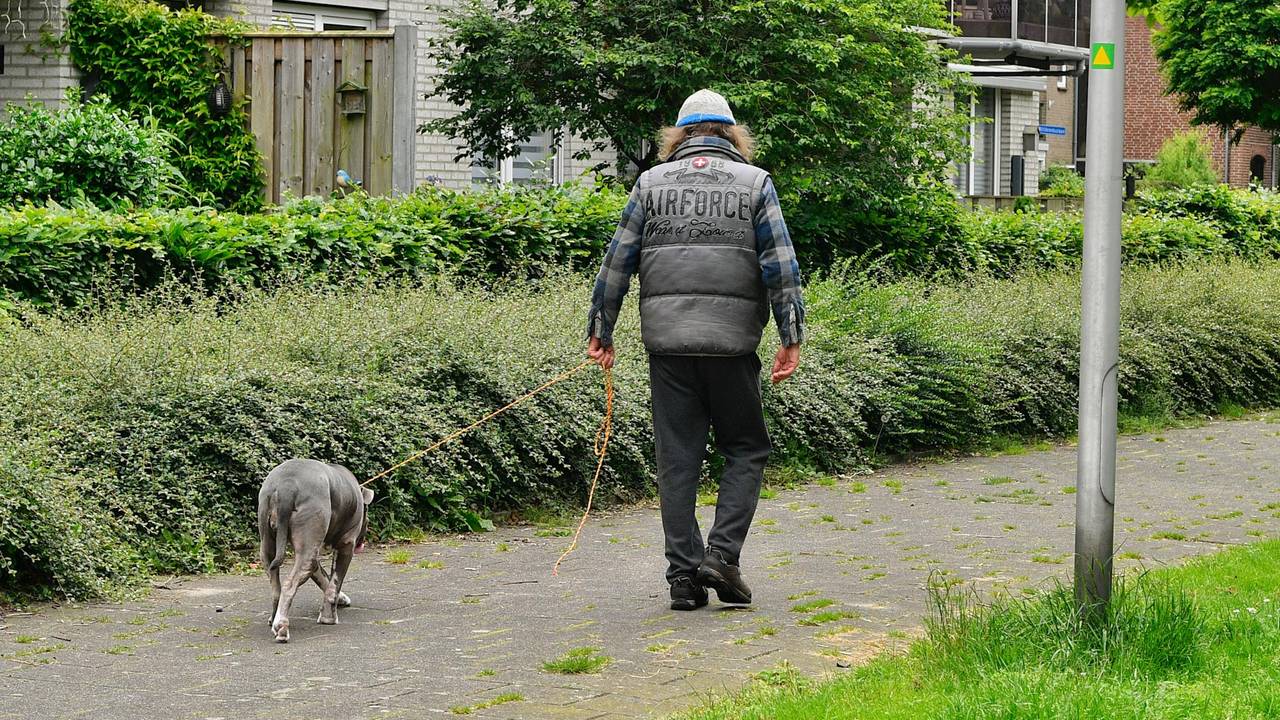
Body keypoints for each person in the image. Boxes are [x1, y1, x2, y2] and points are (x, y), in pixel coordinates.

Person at [585, 89, 805, 610]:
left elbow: (617, 262)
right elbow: (780, 265)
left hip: (668, 347)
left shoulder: (648, 184)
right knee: (746, 449)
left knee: (677, 461)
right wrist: (790, 336)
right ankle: (722, 556)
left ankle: (684, 578)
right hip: (731, 347)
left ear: (679, 135)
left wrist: (601, 327)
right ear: (732, 133)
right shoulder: (756, 184)